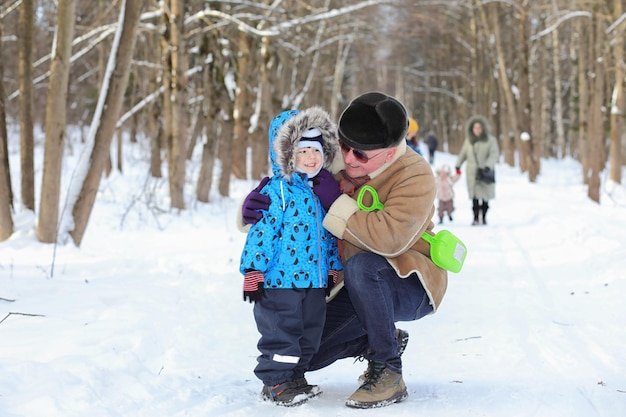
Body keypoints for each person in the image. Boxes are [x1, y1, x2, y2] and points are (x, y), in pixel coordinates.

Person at [240, 92, 448, 409]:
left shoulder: (415, 175)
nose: (348, 159)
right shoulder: (336, 156)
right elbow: (293, 197)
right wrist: (251, 211)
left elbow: (390, 239)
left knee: (364, 266)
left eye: (361, 156)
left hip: (408, 281)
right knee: (301, 355)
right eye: (344, 147)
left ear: (390, 153)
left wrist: (336, 204)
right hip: (351, 285)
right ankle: (377, 339)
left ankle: (388, 370)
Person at [239, 107, 343, 407]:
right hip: (279, 282)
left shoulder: (319, 192)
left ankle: (295, 376)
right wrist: (253, 270)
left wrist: (335, 268)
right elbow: (262, 233)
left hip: (313, 281)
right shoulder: (277, 191)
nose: (311, 157)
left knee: (309, 332)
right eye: (303, 151)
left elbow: (328, 236)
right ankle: (275, 381)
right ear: (286, 154)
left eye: (316, 150)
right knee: (281, 332)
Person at [455, 115, 499, 225]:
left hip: (485, 172)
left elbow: (494, 154)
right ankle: (475, 218)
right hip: (472, 173)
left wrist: (488, 166)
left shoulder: (490, 140)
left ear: (483, 128)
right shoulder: (469, 140)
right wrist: (458, 165)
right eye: (475, 127)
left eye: (479, 127)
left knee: (485, 196)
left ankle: (483, 217)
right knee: (474, 197)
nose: (477, 130)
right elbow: (463, 153)